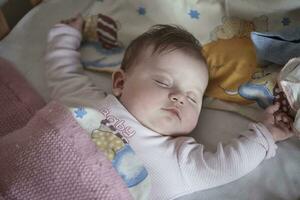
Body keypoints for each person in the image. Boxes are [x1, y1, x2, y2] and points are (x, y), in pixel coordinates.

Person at [45, 14, 295, 200]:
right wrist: (64, 35)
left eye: (193, 97)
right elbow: (62, 73)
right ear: (121, 82)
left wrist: (266, 133)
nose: (179, 97)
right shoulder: (89, 102)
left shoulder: (178, 161)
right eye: (163, 82)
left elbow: (227, 164)